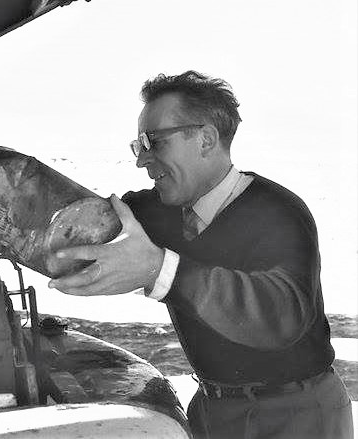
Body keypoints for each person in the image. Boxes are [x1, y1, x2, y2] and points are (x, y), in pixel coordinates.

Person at [47, 70, 353, 438]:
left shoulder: (278, 212)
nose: (142, 160)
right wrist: (7, 185)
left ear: (206, 139)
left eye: (154, 142)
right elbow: (74, 230)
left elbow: (280, 317)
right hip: (213, 409)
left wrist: (161, 270)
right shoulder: (154, 213)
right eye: (138, 145)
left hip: (295, 414)